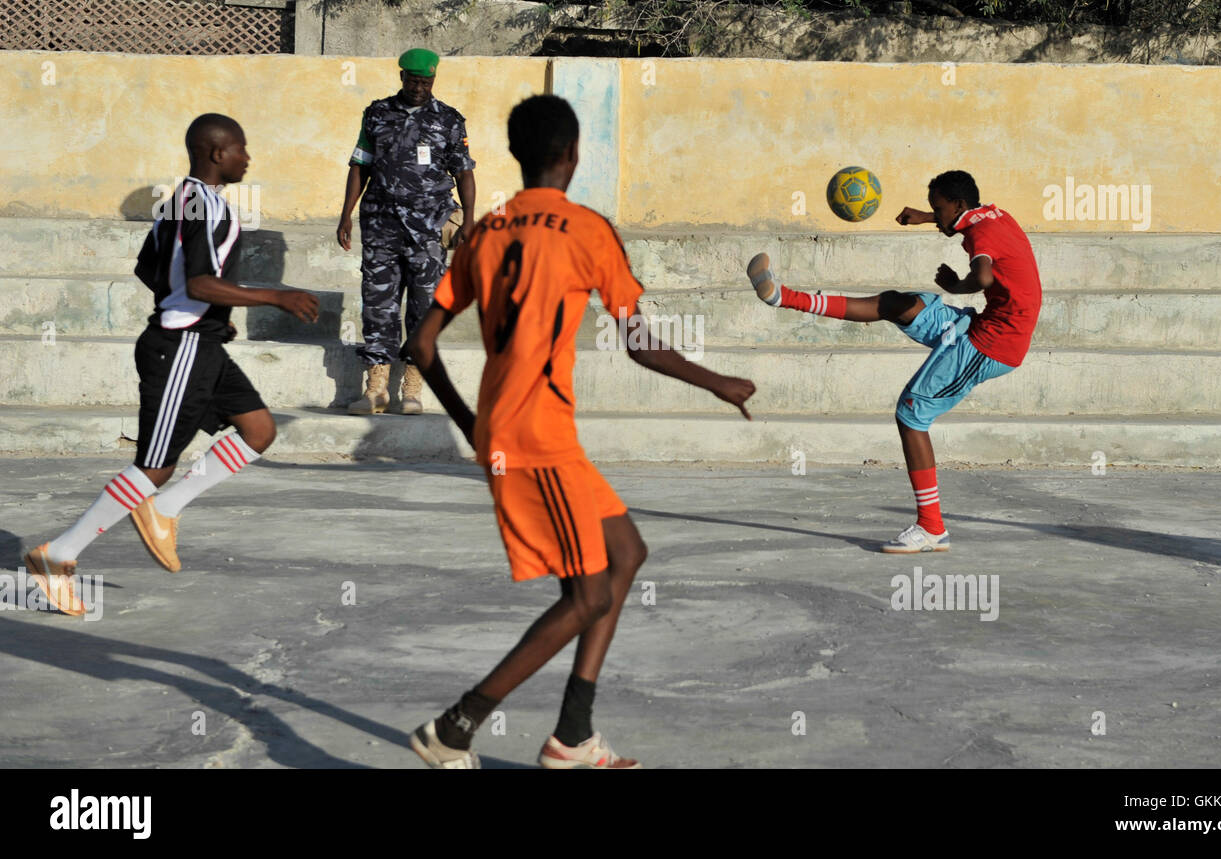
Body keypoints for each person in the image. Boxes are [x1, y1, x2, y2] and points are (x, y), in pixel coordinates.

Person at [404, 95, 756, 768]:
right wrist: (718, 381)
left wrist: (471, 424)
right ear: (571, 153)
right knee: (589, 592)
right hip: (537, 435)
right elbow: (641, 345)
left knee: (624, 554)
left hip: (519, 429)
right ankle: (457, 725)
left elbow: (421, 345)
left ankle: (571, 734)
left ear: (518, 154)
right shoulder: (587, 229)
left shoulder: (488, 230)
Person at [22, 114, 320, 616]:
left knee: (259, 430)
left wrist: (211, 316)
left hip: (200, 342)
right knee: (154, 468)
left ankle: (165, 510)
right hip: (178, 348)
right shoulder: (200, 204)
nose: (248, 158)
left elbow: (149, 269)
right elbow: (200, 282)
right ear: (217, 153)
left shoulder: (178, 201)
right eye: (242, 149)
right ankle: (58, 556)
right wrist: (275, 295)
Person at [747, 170, 1041, 553]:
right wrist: (924, 216)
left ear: (959, 205)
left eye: (939, 208)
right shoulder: (994, 215)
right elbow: (966, 231)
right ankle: (783, 297)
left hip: (990, 345)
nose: (937, 215)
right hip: (985, 325)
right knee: (898, 304)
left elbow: (983, 276)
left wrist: (955, 287)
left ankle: (931, 528)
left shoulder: (981, 235)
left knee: (911, 415)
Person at [337, 48, 477, 415]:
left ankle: (412, 390)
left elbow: (464, 172)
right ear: (401, 77)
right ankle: (376, 389)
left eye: (426, 82)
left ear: (433, 80)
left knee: (424, 306)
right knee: (378, 304)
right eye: (413, 81)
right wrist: (345, 215)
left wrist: (471, 220)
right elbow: (359, 165)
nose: (419, 87)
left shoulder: (449, 120)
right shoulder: (377, 113)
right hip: (381, 224)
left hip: (428, 229)